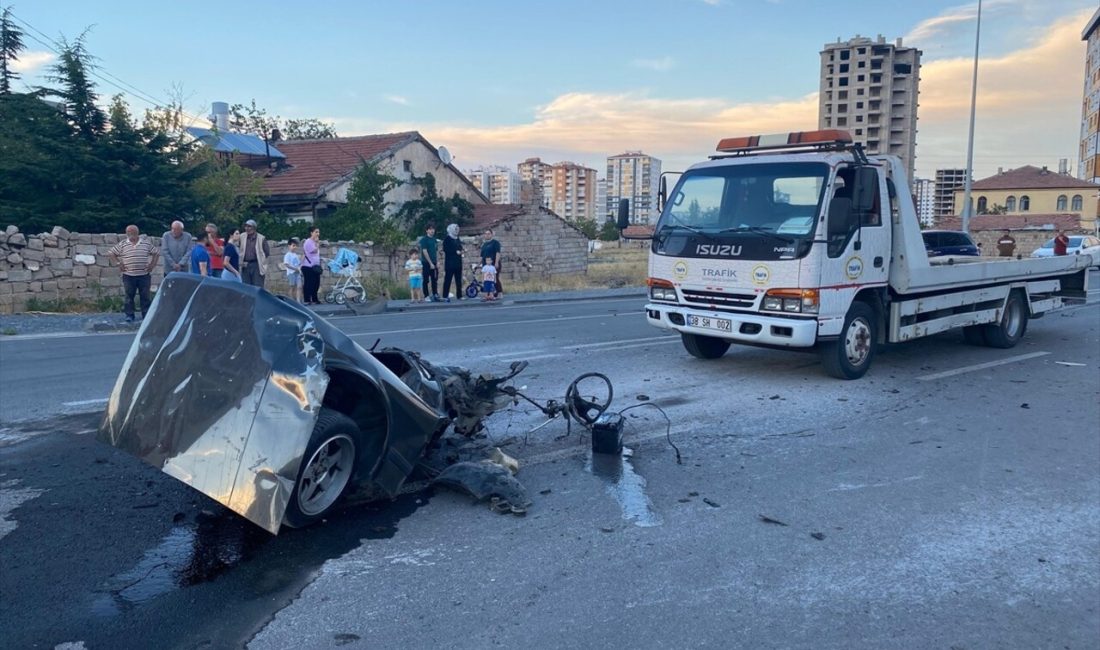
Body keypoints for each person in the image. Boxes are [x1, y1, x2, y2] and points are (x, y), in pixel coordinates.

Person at [108, 225, 158, 323]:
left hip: (143, 275)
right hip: (129, 275)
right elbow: (111, 253)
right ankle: (129, 315)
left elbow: (156, 253)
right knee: (129, 296)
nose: (131, 235)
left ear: (137, 233)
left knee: (145, 296)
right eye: (129, 233)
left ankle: (146, 315)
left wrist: (152, 265)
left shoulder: (146, 243)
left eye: (133, 232)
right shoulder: (123, 244)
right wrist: (118, 263)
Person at [240, 219, 270, 287]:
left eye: (249, 226)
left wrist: (262, 260)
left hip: (257, 264)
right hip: (245, 264)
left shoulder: (261, 238)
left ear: (254, 228)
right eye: (246, 226)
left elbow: (267, 252)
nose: (247, 228)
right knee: (246, 286)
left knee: (258, 285)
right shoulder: (242, 236)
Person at [441, 223, 464, 302]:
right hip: (450, 263)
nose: (456, 231)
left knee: (458, 280)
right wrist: (455, 251)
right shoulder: (447, 239)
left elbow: (460, 247)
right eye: (455, 229)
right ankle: (445, 295)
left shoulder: (457, 238)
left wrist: (462, 251)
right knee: (448, 280)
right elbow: (446, 249)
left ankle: (459, 295)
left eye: (457, 229)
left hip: (458, 262)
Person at [419, 224, 440, 302]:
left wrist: (437, 262)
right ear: (427, 230)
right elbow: (424, 251)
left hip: (434, 262)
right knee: (426, 279)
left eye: (433, 229)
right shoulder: (424, 240)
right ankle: (426, 295)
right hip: (426, 262)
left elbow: (436, 251)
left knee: (434, 279)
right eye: (430, 229)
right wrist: (430, 263)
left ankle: (435, 294)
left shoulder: (434, 240)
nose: (432, 231)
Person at [301, 227, 322, 304]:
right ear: (311, 233)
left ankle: (314, 298)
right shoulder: (308, 242)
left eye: (318, 232)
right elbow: (314, 251)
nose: (318, 234)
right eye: (316, 232)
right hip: (308, 266)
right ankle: (307, 299)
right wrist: (317, 243)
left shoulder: (315, 242)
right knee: (309, 283)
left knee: (316, 283)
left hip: (315, 267)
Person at [480, 227, 503, 298]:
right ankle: (490, 294)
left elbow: (498, 253)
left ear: (492, 234)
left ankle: (500, 292)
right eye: (486, 234)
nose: (487, 235)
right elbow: (482, 256)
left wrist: (496, 262)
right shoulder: (484, 244)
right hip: (486, 265)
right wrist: (479, 264)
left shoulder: (495, 243)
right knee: (487, 279)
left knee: (495, 278)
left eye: (488, 234)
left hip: (493, 264)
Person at [284, 238, 304, 302]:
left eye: (296, 246)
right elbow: (286, 265)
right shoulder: (287, 255)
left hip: (297, 273)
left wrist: (303, 258)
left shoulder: (295, 255)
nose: (295, 247)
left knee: (299, 287)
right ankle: (291, 300)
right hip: (291, 273)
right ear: (289, 246)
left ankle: (298, 301)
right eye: (293, 245)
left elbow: (298, 264)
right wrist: (295, 269)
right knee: (292, 287)